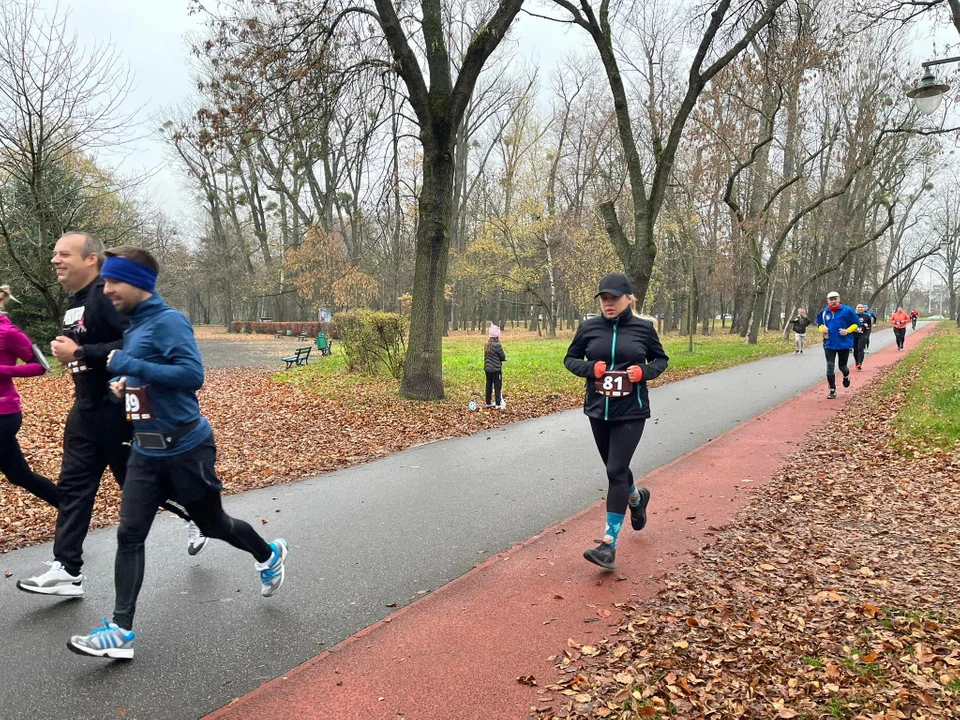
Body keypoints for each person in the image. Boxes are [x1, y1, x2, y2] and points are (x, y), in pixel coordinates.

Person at [67, 246, 288, 659]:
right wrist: (126, 385)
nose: (107, 288)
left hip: (187, 450)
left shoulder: (169, 322)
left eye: (114, 281)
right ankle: (120, 631)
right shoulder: (134, 327)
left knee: (215, 524)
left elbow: (192, 376)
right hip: (145, 453)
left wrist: (129, 364)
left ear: (138, 283)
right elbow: (145, 370)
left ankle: (268, 553)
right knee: (129, 534)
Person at [18, 233, 201, 599]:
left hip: (117, 410)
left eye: (63, 254)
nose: (55, 259)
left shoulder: (109, 295)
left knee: (137, 486)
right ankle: (67, 570)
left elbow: (136, 345)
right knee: (73, 487)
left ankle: (198, 511)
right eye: (54, 253)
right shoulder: (76, 300)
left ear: (91, 259)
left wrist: (82, 352)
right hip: (85, 410)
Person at [563, 273, 668, 570]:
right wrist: (590, 369)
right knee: (617, 470)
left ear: (628, 299)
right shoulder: (589, 328)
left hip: (631, 411)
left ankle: (608, 544)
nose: (608, 304)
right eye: (604, 299)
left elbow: (660, 361)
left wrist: (641, 373)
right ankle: (636, 499)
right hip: (598, 410)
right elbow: (570, 359)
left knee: (615, 470)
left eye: (614, 298)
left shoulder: (643, 330)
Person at [0, 285, 59, 507]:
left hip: (4, 415)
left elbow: (40, 366)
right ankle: (72, 508)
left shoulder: (9, 333)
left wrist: (3, 370)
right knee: (19, 476)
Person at [816, 291, 859, 400]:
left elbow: (856, 323)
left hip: (843, 343)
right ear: (828, 301)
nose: (833, 301)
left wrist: (847, 330)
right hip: (829, 343)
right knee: (830, 367)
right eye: (831, 299)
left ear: (839, 299)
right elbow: (819, 324)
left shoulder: (847, 310)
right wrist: (822, 329)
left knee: (842, 366)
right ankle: (832, 390)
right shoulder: (823, 312)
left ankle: (846, 376)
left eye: (835, 299)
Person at [483, 324, 507, 409]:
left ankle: (488, 402)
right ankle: (498, 403)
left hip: (487, 369)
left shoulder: (486, 344)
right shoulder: (497, 345)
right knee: (497, 386)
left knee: (488, 385)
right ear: (497, 336)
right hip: (496, 369)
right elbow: (502, 356)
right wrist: (504, 359)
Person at [852, 303, 873, 371]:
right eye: (858, 307)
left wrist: (867, 332)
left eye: (861, 307)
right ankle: (856, 362)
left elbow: (869, 326)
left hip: (862, 335)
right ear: (856, 308)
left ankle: (860, 363)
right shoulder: (853, 316)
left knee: (860, 349)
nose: (860, 308)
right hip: (854, 335)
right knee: (855, 349)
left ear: (863, 309)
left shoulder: (866, 316)